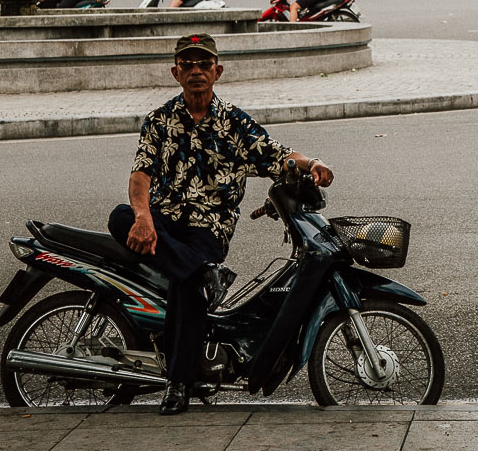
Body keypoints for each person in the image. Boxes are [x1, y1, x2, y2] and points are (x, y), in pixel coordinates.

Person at [108, 33, 333, 415]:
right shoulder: (159, 121)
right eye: (188, 65)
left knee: (186, 285)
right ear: (175, 73)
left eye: (203, 64)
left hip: (207, 228)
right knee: (121, 216)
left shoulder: (235, 122)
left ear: (218, 71)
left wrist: (312, 164)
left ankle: (178, 382)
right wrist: (144, 216)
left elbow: (278, 154)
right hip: (163, 221)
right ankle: (202, 273)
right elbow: (140, 176)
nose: (196, 71)